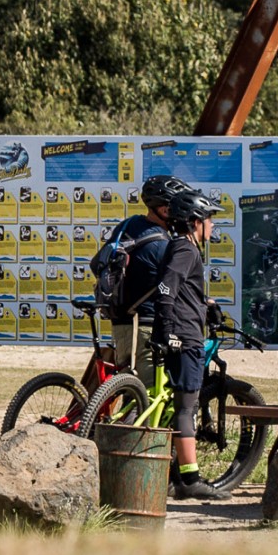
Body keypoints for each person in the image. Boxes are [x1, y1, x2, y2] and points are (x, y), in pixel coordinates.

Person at [151, 188, 232, 501]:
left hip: (183, 329)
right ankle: (190, 480)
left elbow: (179, 287)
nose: (212, 226)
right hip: (185, 336)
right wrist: (170, 327)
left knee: (180, 404)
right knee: (187, 407)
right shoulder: (187, 250)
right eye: (209, 219)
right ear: (195, 222)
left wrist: (205, 302)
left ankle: (175, 473)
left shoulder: (179, 247)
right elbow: (167, 287)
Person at [97, 174, 189, 390]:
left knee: (133, 395)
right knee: (146, 397)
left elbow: (99, 262)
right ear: (165, 210)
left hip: (121, 325)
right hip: (145, 328)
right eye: (178, 209)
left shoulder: (128, 225)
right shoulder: (163, 245)